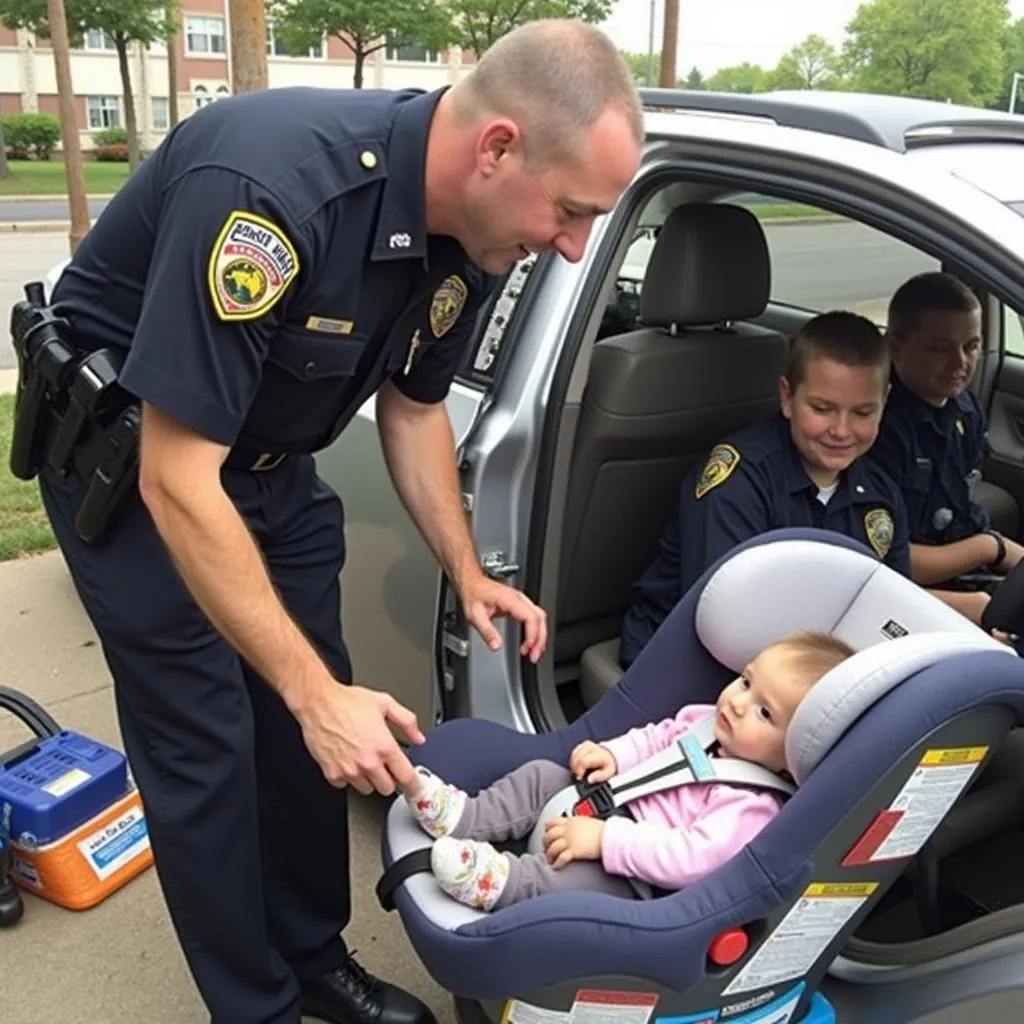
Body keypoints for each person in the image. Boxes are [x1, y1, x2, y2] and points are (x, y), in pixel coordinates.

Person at [18, 20, 644, 1024]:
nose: (571, 245)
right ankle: (255, 1005)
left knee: (319, 730)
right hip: (136, 465)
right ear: (496, 148)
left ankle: (313, 961)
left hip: (269, 470)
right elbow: (179, 478)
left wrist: (467, 567)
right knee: (211, 750)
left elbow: (414, 403)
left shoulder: (476, 233)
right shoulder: (271, 195)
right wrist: (309, 696)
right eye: (571, 212)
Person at [402, 630, 854, 910]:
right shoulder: (707, 723)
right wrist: (615, 755)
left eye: (765, 713)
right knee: (542, 772)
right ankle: (467, 817)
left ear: (796, 752)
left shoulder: (750, 805)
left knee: (573, 888)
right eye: (746, 681)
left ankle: (500, 882)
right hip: (609, 798)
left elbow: (691, 858)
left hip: (632, 874)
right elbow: (657, 738)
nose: (737, 702)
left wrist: (607, 841)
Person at [617, 311, 910, 669]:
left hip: (815, 664)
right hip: (687, 659)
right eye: (822, 409)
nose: (841, 430)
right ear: (787, 398)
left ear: (885, 404)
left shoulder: (881, 494)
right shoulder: (741, 481)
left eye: (863, 412)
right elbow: (722, 621)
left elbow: (892, 604)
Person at [871, 272, 1024, 614]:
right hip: (906, 592)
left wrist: (1002, 553)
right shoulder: (877, 427)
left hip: (966, 568)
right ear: (895, 347)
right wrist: (990, 548)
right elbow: (890, 561)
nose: (960, 363)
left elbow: (964, 511)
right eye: (940, 349)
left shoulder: (965, 410)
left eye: (971, 346)